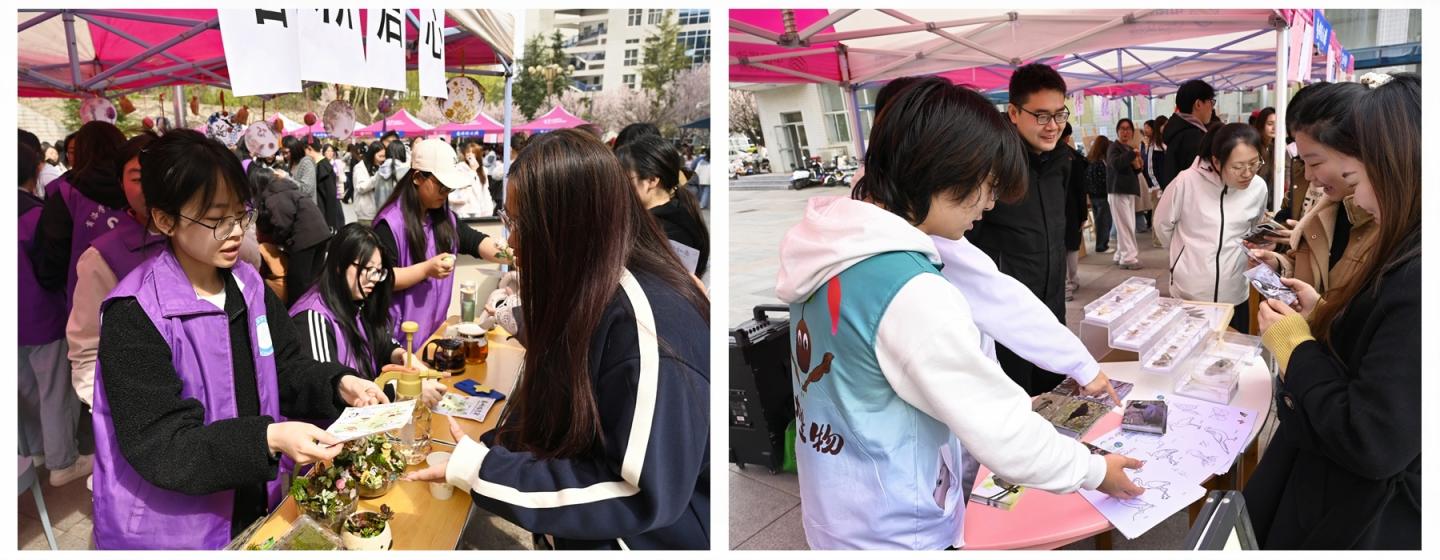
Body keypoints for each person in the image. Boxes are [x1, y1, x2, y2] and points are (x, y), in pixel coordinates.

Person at [772, 77, 1142, 550]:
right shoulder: (911, 290)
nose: (989, 204)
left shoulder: (834, 249)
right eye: (987, 186)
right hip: (900, 527)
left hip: (840, 507)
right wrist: (1095, 470)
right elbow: (1003, 435)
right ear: (943, 172)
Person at [404, 129, 711, 550]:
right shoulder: (591, 287)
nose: (511, 241)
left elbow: (636, 491)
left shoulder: (645, 326)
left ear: (568, 225)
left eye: (518, 224)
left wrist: (482, 470)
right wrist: (492, 453)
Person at [91, 130, 388, 549]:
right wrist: (268, 439)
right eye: (217, 219)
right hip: (177, 531)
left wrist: (338, 383)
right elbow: (164, 445)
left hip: (253, 499)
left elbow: (286, 366)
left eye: (241, 214)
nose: (235, 232)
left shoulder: (248, 285)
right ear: (165, 219)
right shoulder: (135, 313)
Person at [1246, 72, 1419, 550]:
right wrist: (1326, 313)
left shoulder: (1417, 272)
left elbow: (1372, 437)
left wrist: (1295, 345)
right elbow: (1385, 348)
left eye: (1357, 178)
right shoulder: (1408, 244)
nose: (1354, 197)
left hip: (1360, 510)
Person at [965, 62, 1075, 395]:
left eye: (1059, 114)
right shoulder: (991, 165)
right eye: (1041, 116)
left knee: (1056, 399)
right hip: (1006, 321)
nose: (1052, 126)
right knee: (1015, 403)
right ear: (1013, 112)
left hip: (1051, 311)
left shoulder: (1061, 160)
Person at [289, 223, 444, 406]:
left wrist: (402, 355)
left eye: (378, 271)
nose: (374, 279)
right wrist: (402, 390)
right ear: (339, 265)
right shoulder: (313, 318)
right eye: (367, 269)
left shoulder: (357, 299)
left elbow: (381, 342)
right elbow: (329, 392)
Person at [372, 138, 511, 341]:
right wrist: (426, 270)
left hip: (433, 334)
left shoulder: (444, 218)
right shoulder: (389, 224)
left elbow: (477, 242)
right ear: (417, 177)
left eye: (449, 188)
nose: (445, 193)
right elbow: (382, 277)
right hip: (400, 341)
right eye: (441, 186)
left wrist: (511, 254)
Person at [1250, 83, 1376, 298]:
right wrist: (1279, 266)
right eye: (1302, 161)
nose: (1308, 176)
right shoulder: (1327, 207)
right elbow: (1313, 272)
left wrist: (1313, 313)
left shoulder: (1391, 227)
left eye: (1315, 163)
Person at [67, 132, 164, 410]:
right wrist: (109, 410)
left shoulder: (203, 238)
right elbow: (87, 347)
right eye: (138, 178)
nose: (151, 186)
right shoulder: (101, 257)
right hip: (144, 407)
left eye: (161, 174)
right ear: (121, 183)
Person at [19, 141, 90, 488]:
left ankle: (36, 451)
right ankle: (62, 461)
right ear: (36, 169)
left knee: (26, 388)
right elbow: (54, 266)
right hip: (42, 315)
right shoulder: (35, 216)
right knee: (55, 391)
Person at [1154, 123, 1269, 333]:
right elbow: (1162, 226)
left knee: (1232, 348)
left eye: (1254, 164)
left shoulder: (1258, 187)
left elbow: (1252, 229)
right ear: (1216, 161)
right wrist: (1183, 256)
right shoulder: (1186, 182)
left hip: (1235, 292)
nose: (1247, 173)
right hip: (1191, 293)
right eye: (1238, 167)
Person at [34, 120, 129, 308]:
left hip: (87, 297)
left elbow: (52, 254)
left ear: (82, 151)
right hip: (141, 290)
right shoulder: (137, 186)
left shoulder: (66, 193)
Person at [617, 135, 710, 278]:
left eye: (624, 179)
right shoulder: (676, 213)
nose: (618, 186)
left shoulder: (669, 232)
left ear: (652, 180)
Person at [250, 166, 332, 305]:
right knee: (313, 280)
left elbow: (282, 224)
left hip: (305, 238)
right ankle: (313, 307)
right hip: (322, 234)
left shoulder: (273, 197)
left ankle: (297, 312)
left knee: (297, 282)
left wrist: (277, 241)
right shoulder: (287, 189)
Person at [1159, 79, 1216, 188]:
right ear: (1198, 104)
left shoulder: (1178, 130)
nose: (1212, 108)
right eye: (1211, 102)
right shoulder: (1193, 137)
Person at [1107, 118, 1144, 270]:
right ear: (1117, 131)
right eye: (1122, 129)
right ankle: (1128, 258)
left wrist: (1137, 163)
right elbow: (1115, 164)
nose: (1125, 132)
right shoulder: (1113, 147)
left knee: (1126, 225)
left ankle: (1120, 255)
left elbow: (1136, 171)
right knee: (1126, 226)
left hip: (1128, 190)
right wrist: (1132, 154)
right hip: (1118, 191)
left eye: (1128, 129)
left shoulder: (1128, 148)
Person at [1060, 124, 1088, 300]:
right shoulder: (1074, 157)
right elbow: (1081, 189)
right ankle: (1072, 281)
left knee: (1061, 247)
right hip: (1072, 209)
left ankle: (1065, 285)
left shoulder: (1046, 156)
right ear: (1068, 137)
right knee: (1071, 245)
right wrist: (1083, 214)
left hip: (1058, 209)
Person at [1086, 135, 1113, 254]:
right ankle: (1102, 246)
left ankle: (1101, 244)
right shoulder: (1101, 162)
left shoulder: (1089, 159)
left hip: (1093, 195)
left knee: (1099, 221)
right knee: (1104, 221)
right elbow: (1104, 180)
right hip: (1103, 195)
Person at [350, 142, 388, 224]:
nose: (382, 159)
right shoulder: (360, 167)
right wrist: (377, 176)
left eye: (384, 156)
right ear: (372, 154)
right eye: (380, 156)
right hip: (366, 214)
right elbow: (361, 187)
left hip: (380, 212)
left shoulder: (380, 166)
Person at [1250, 107, 1278, 209]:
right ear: (1261, 125)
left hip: (1269, 203)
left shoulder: (1275, 148)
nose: (1274, 128)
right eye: (1270, 124)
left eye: (1277, 124)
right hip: (1254, 203)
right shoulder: (1254, 148)